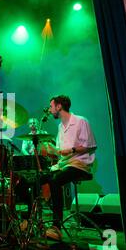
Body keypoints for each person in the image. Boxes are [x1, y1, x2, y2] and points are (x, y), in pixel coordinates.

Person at [43, 95, 97, 240]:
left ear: (59, 106)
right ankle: (30, 223)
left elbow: (90, 145)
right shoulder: (60, 126)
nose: (50, 110)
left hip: (80, 164)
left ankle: (56, 227)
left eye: (51, 106)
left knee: (55, 180)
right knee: (37, 178)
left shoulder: (81, 121)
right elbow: (61, 151)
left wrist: (71, 150)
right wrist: (54, 151)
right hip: (65, 164)